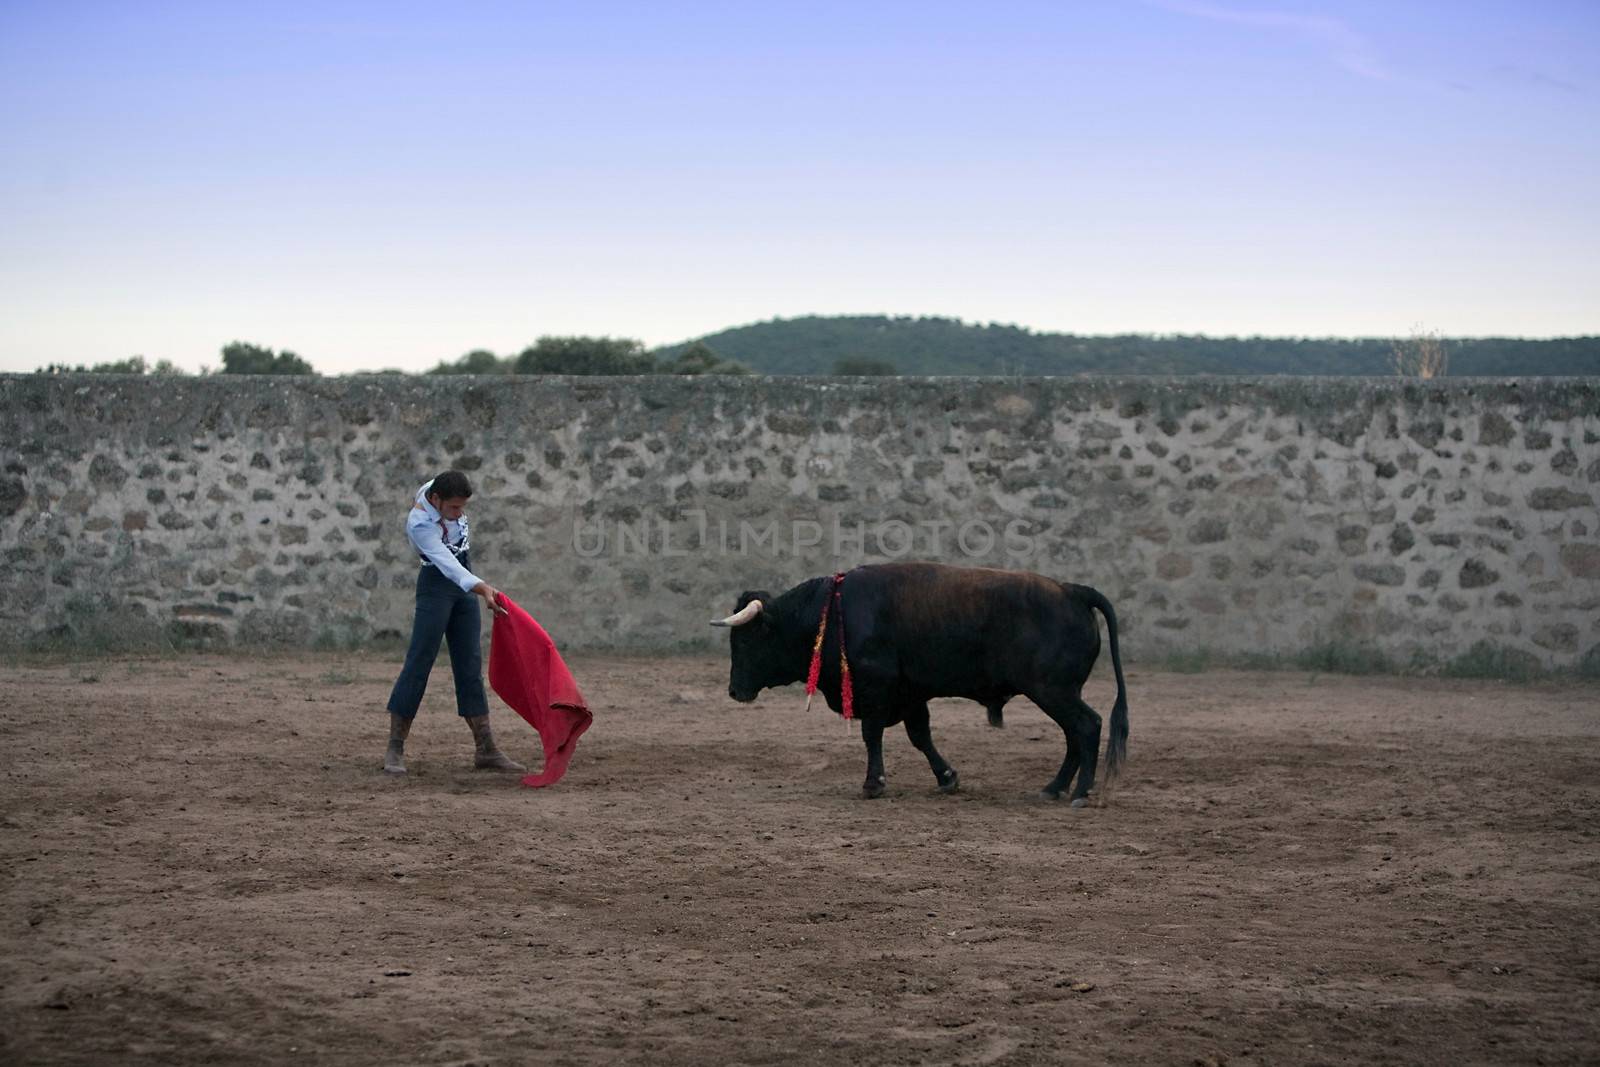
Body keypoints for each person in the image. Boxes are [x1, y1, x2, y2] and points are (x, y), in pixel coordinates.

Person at [383, 470, 524, 775]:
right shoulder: (419, 524)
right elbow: (447, 566)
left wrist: (477, 587)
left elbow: (458, 566)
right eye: (454, 508)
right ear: (436, 500)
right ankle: (395, 746)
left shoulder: (433, 488)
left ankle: (486, 749)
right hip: (437, 585)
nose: (460, 513)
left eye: (462, 507)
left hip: (464, 583)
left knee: (470, 664)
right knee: (419, 660)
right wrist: (484, 588)